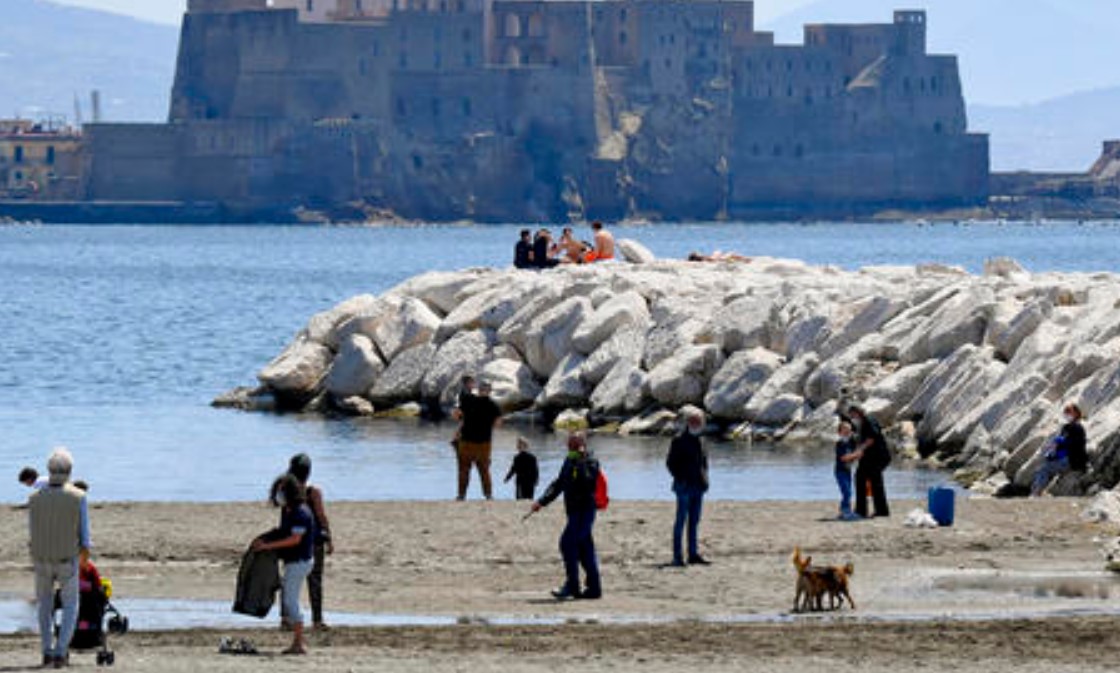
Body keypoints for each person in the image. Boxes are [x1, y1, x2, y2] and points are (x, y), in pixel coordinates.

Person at [28, 447, 91, 668]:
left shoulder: (34, 497)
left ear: (49, 470)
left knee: (44, 606)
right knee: (71, 604)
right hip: (67, 559)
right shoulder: (78, 496)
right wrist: (84, 559)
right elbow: (85, 538)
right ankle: (61, 652)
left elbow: (32, 531)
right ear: (70, 471)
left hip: (41, 558)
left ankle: (47, 651)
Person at [530, 433, 602, 600]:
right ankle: (594, 588)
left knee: (567, 544)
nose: (571, 450)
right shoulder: (569, 460)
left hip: (584, 511)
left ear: (583, 445)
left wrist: (581, 461)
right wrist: (542, 501)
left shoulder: (591, 461)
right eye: (569, 446)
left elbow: (588, 483)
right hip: (573, 512)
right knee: (585, 549)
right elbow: (559, 483)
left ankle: (572, 585)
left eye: (575, 446)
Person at [253, 475, 315, 655]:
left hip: (300, 562)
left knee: (290, 600)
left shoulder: (300, 513)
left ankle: (299, 643)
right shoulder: (288, 511)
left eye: (282, 490)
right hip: (294, 561)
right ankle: (298, 641)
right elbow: (283, 532)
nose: (279, 494)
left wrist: (267, 546)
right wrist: (266, 537)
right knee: (289, 599)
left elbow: (294, 539)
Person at [287, 454, 334, 631]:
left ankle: (286, 618)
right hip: (313, 541)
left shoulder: (288, 492)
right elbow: (321, 516)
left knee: (291, 580)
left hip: (293, 540)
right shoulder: (313, 492)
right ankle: (317, 620)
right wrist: (329, 538)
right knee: (315, 580)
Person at [666, 409, 710, 566]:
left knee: (694, 521)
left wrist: (705, 480)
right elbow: (670, 463)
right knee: (680, 521)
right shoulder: (678, 440)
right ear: (688, 423)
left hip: (698, 486)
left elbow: (704, 462)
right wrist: (681, 478)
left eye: (699, 422)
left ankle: (693, 554)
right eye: (694, 421)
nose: (697, 424)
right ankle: (677, 556)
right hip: (684, 487)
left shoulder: (701, 439)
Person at [453, 381, 502, 500]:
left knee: (464, 469)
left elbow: (456, 415)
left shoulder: (469, 400)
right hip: (484, 443)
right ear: (490, 391)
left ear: (479, 390)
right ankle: (488, 495)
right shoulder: (493, 405)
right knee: (484, 470)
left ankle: (461, 495)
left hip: (466, 441)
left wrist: (463, 420)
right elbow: (498, 424)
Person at [1031, 403, 1088, 496]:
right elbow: (1059, 445)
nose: (1067, 414)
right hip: (1064, 459)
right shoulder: (1066, 427)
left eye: (1069, 412)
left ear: (1076, 414)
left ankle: (1036, 493)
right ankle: (1038, 491)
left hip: (1073, 460)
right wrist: (1052, 454)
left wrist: (1062, 443)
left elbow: (1074, 446)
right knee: (1043, 467)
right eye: (1066, 412)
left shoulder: (1078, 428)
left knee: (1044, 469)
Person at [847, 406, 891, 518]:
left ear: (857, 412)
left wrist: (859, 450)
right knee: (870, 481)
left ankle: (866, 510)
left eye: (852, 415)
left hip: (878, 456)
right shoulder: (862, 423)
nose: (851, 418)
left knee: (868, 480)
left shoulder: (869, 420)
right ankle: (878, 511)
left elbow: (872, 438)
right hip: (870, 457)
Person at [834, 421, 860, 521]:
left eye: (849, 428)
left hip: (847, 470)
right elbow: (843, 458)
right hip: (840, 471)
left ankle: (843, 511)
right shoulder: (839, 443)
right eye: (845, 428)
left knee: (848, 492)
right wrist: (855, 455)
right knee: (847, 492)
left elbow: (860, 441)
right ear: (840, 432)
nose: (848, 430)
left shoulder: (851, 442)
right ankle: (846, 511)